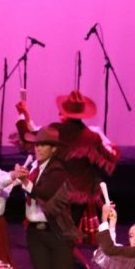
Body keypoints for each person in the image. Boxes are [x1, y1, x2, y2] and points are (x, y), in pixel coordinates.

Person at [13, 91, 120, 244]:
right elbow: (110, 158)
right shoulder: (91, 136)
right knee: (68, 233)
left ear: (65, 111)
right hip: (78, 192)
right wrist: (113, 150)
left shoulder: (55, 131)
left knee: (53, 232)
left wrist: (22, 115)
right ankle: (65, 253)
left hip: (54, 189)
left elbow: (28, 136)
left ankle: (57, 253)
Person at [12, 125, 81, 269]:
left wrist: (25, 182)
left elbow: (44, 193)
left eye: (43, 145)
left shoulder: (57, 169)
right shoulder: (35, 167)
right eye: (37, 145)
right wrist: (16, 179)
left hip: (56, 230)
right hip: (35, 231)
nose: (38, 148)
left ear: (54, 149)